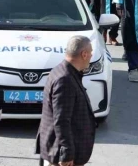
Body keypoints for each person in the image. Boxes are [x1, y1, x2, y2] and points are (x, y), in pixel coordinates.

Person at [35, 36, 96, 166]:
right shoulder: (65, 79)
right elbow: (61, 120)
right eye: (90, 52)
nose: (91, 56)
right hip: (61, 157)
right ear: (84, 54)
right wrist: (67, 153)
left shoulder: (62, 71)